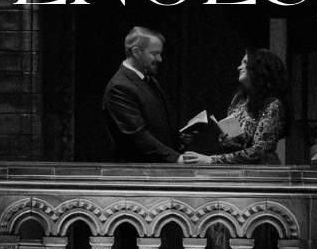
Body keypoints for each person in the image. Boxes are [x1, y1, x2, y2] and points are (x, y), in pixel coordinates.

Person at [182, 48, 290, 166]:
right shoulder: (239, 100)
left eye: (245, 63)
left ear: (259, 68)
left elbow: (260, 150)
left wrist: (211, 160)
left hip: (260, 172)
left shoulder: (272, 105)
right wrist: (228, 140)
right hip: (239, 168)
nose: (239, 67)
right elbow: (239, 142)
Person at [102, 27, 182, 163]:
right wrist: (177, 158)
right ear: (136, 52)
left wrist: (179, 138)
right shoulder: (120, 87)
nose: (160, 59)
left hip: (158, 170)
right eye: (154, 53)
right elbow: (137, 136)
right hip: (140, 174)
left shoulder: (150, 80)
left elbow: (158, 126)